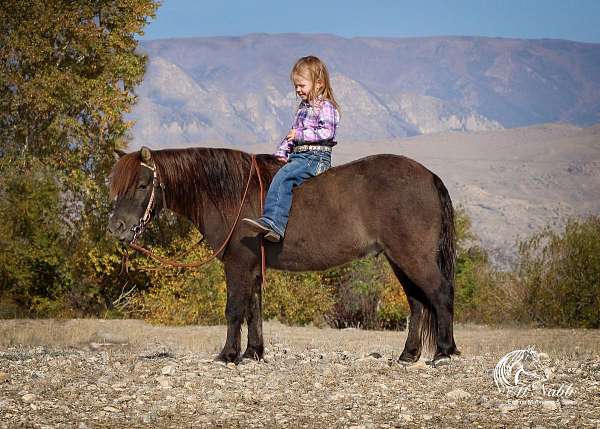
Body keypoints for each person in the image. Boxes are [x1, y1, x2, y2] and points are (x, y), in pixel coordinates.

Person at [243, 55, 340, 242]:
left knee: (285, 177)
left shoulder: (326, 107)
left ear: (318, 84)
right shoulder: (303, 108)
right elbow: (292, 134)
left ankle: (274, 223)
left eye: (302, 85)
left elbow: (326, 133)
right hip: (300, 155)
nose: (298, 90)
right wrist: (281, 153)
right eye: (296, 86)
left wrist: (300, 136)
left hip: (315, 157)